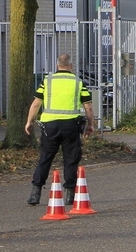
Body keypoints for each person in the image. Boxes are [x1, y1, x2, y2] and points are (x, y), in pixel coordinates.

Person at [25, 53, 95, 207]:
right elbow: (88, 106)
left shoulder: (47, 81)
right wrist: (90, 125)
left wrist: (29, 122)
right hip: (71, 126)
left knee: (45, 158)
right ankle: (70, 195)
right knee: (71, 159)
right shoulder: (78, 82)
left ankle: (35, 194)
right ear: (71, 66)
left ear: (57, 66)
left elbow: (36, 103)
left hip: (50, 126)